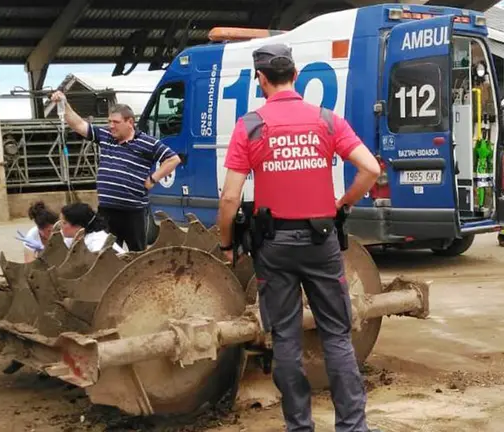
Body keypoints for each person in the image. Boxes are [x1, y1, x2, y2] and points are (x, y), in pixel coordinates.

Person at [216, 44, 382, 432]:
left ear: (260, 79)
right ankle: (353, 427)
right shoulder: (326, 120)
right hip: (321, 240)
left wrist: (227, 244)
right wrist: (342, 204)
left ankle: (299, 426)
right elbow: (370, 168)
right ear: (296, 74)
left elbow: (229, 198)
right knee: (337, 335)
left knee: (286, 339)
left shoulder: (250, 125)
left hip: (273, 247)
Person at [49, 91, 182, 252]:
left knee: (136, 254)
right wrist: (64, 103)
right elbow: (78, 124)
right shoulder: (106, 136)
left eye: (116, 122)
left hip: (134, 212)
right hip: (107, 211)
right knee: (107, 253)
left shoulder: (148, 143)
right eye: (109, 121)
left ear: (130, 122)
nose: (111, 125)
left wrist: (153, 179)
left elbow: (173, 159)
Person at [59, 202, 125, 254]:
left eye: (64, 223)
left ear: (79, 226)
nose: (60, 225)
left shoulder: (97, 243)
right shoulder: (74, 237)